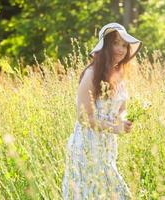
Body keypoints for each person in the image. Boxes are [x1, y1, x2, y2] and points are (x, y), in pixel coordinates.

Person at [61, 22, 142, 199]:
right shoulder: (91, 74)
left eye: (124, 45)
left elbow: (122, 109)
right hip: (86, 147)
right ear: (105, 46)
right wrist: (115, 128)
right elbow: (84, 117)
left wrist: (124, 120)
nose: (121, 49)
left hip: (107, 147)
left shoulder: (119, 75)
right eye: (115, 43)